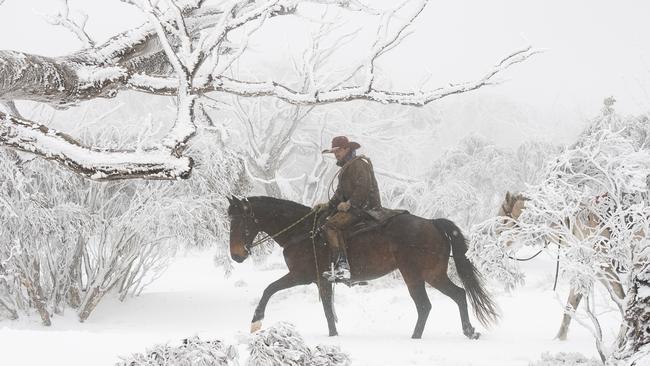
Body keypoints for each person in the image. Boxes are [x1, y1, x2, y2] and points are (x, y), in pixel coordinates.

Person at [313, 136, 381, 281]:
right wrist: (327, 205)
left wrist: (349, 203)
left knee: (330, 226)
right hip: (357, 207)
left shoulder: (359, 164)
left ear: (347, 149)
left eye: (338, 151)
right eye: (334, 152)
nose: (336, 154)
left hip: (365, 208)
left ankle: (343, 267)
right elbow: (339, 193)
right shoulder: (347, 166)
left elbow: (363, 187)